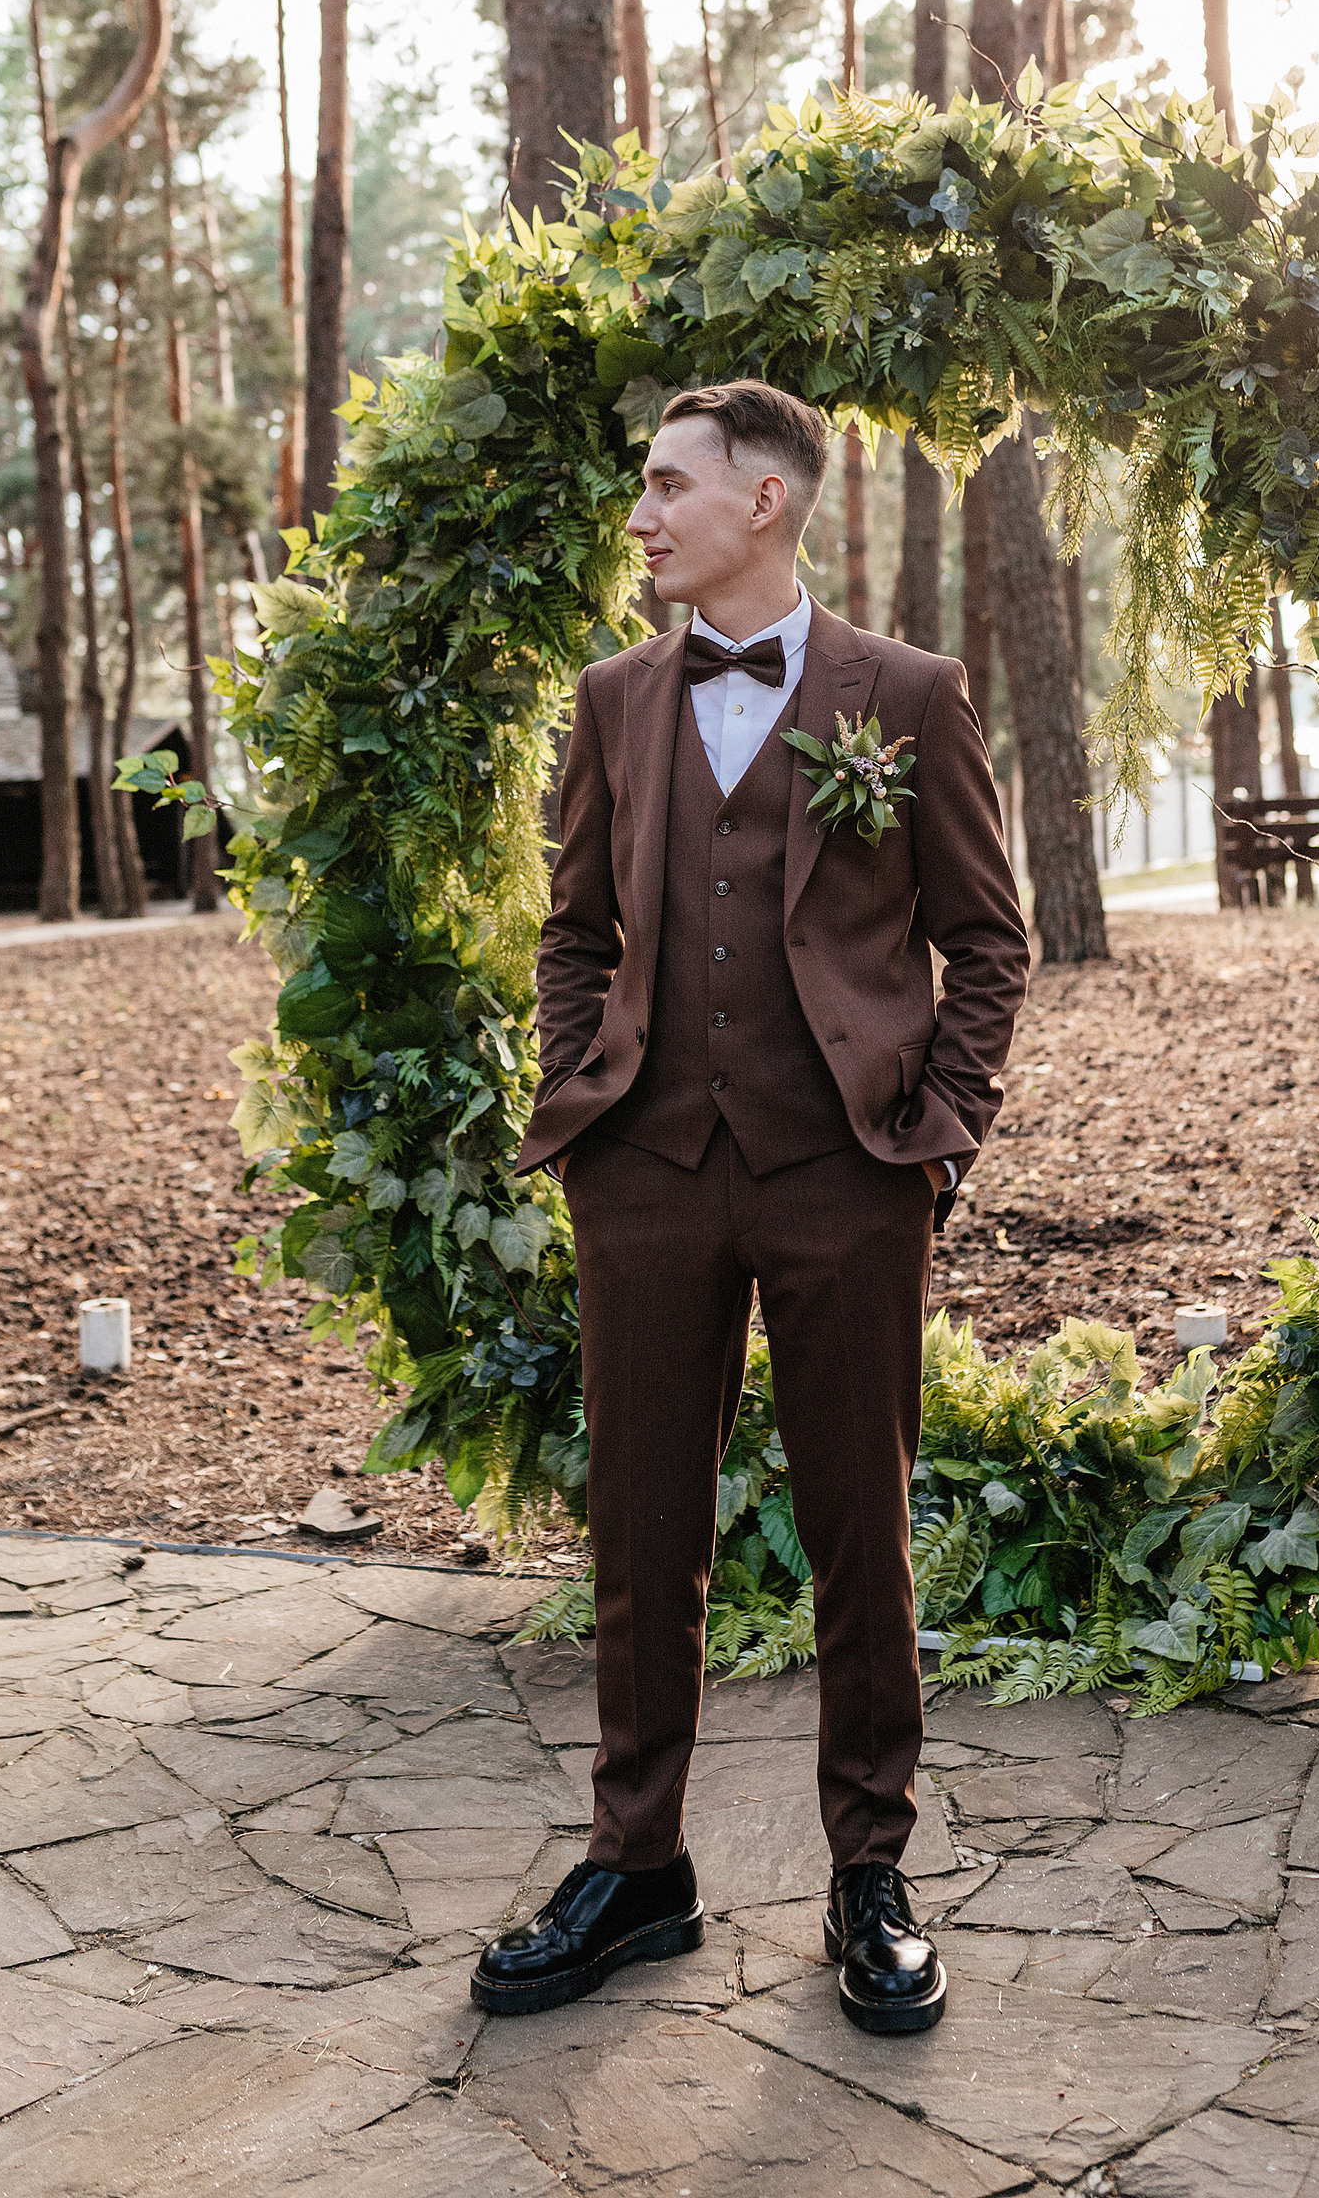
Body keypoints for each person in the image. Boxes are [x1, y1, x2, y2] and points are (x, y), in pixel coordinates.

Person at [469, 380, 1030, 2036]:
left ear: (765, 501)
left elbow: (991, 943)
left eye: (666, 487)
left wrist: (937, 1134)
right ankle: (636, 1867)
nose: (640, 517)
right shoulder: (615, 696)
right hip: (643, 1173)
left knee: (864, 1526)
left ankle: (871, 1875)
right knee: (641, 1532)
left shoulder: (908, 696)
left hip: (845, 1174)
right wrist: (584, 1096)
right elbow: (576, 927)